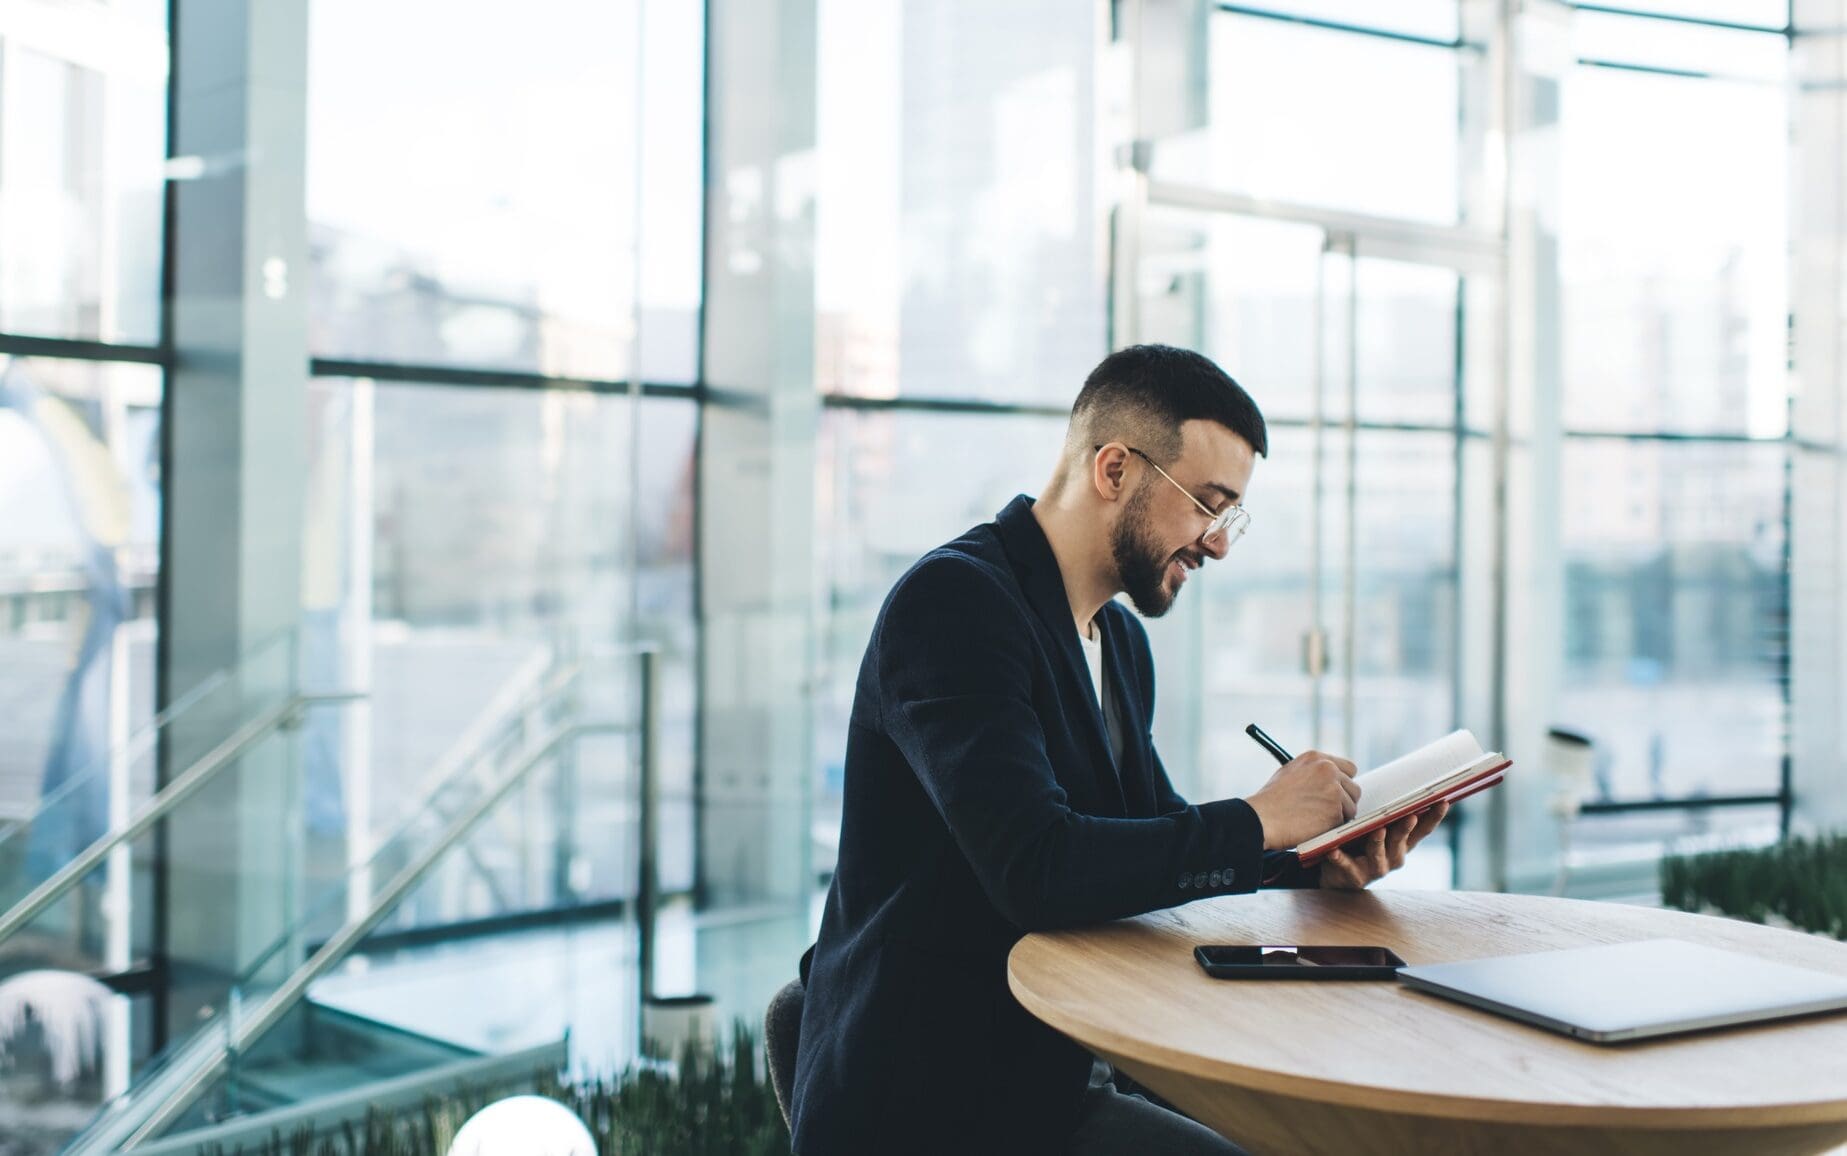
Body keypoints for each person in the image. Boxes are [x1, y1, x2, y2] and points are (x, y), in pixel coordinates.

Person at [788, 344, 1449, 1155]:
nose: (1217, 544)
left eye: (1230, 516)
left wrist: (1312, 864)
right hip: (937, 1099)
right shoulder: (956, 604)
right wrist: (1259, 818)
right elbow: (1036, 869)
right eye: (1208, 506)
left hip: (1059, 1063)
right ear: (1113, 470)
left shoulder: (1119, 644)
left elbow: (1145, 844)